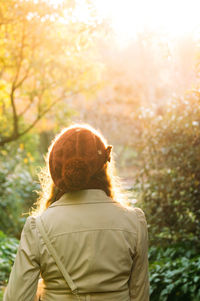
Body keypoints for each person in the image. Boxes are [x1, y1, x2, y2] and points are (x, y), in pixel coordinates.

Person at [3, 124, 149, 301]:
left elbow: (16, 298)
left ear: (56, 172)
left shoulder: (38, 226)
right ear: (104, 166)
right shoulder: (134, 222)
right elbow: (140, 295)